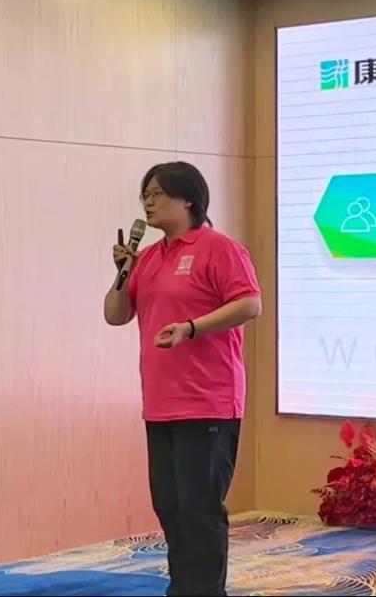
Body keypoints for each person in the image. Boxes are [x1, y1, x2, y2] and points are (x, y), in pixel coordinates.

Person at [103, 161, 262, 597]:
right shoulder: (150, 257)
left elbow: (250, 304)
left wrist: (191, 328)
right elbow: (115, 315)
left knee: (199, 508)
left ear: (188, 198)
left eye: (157, 193)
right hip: (160, 403)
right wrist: (123, 272)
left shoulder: (219, 248)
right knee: (170, 507)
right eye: (145, 195)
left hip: (208, 400)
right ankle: (184, 588)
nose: (148, 202)